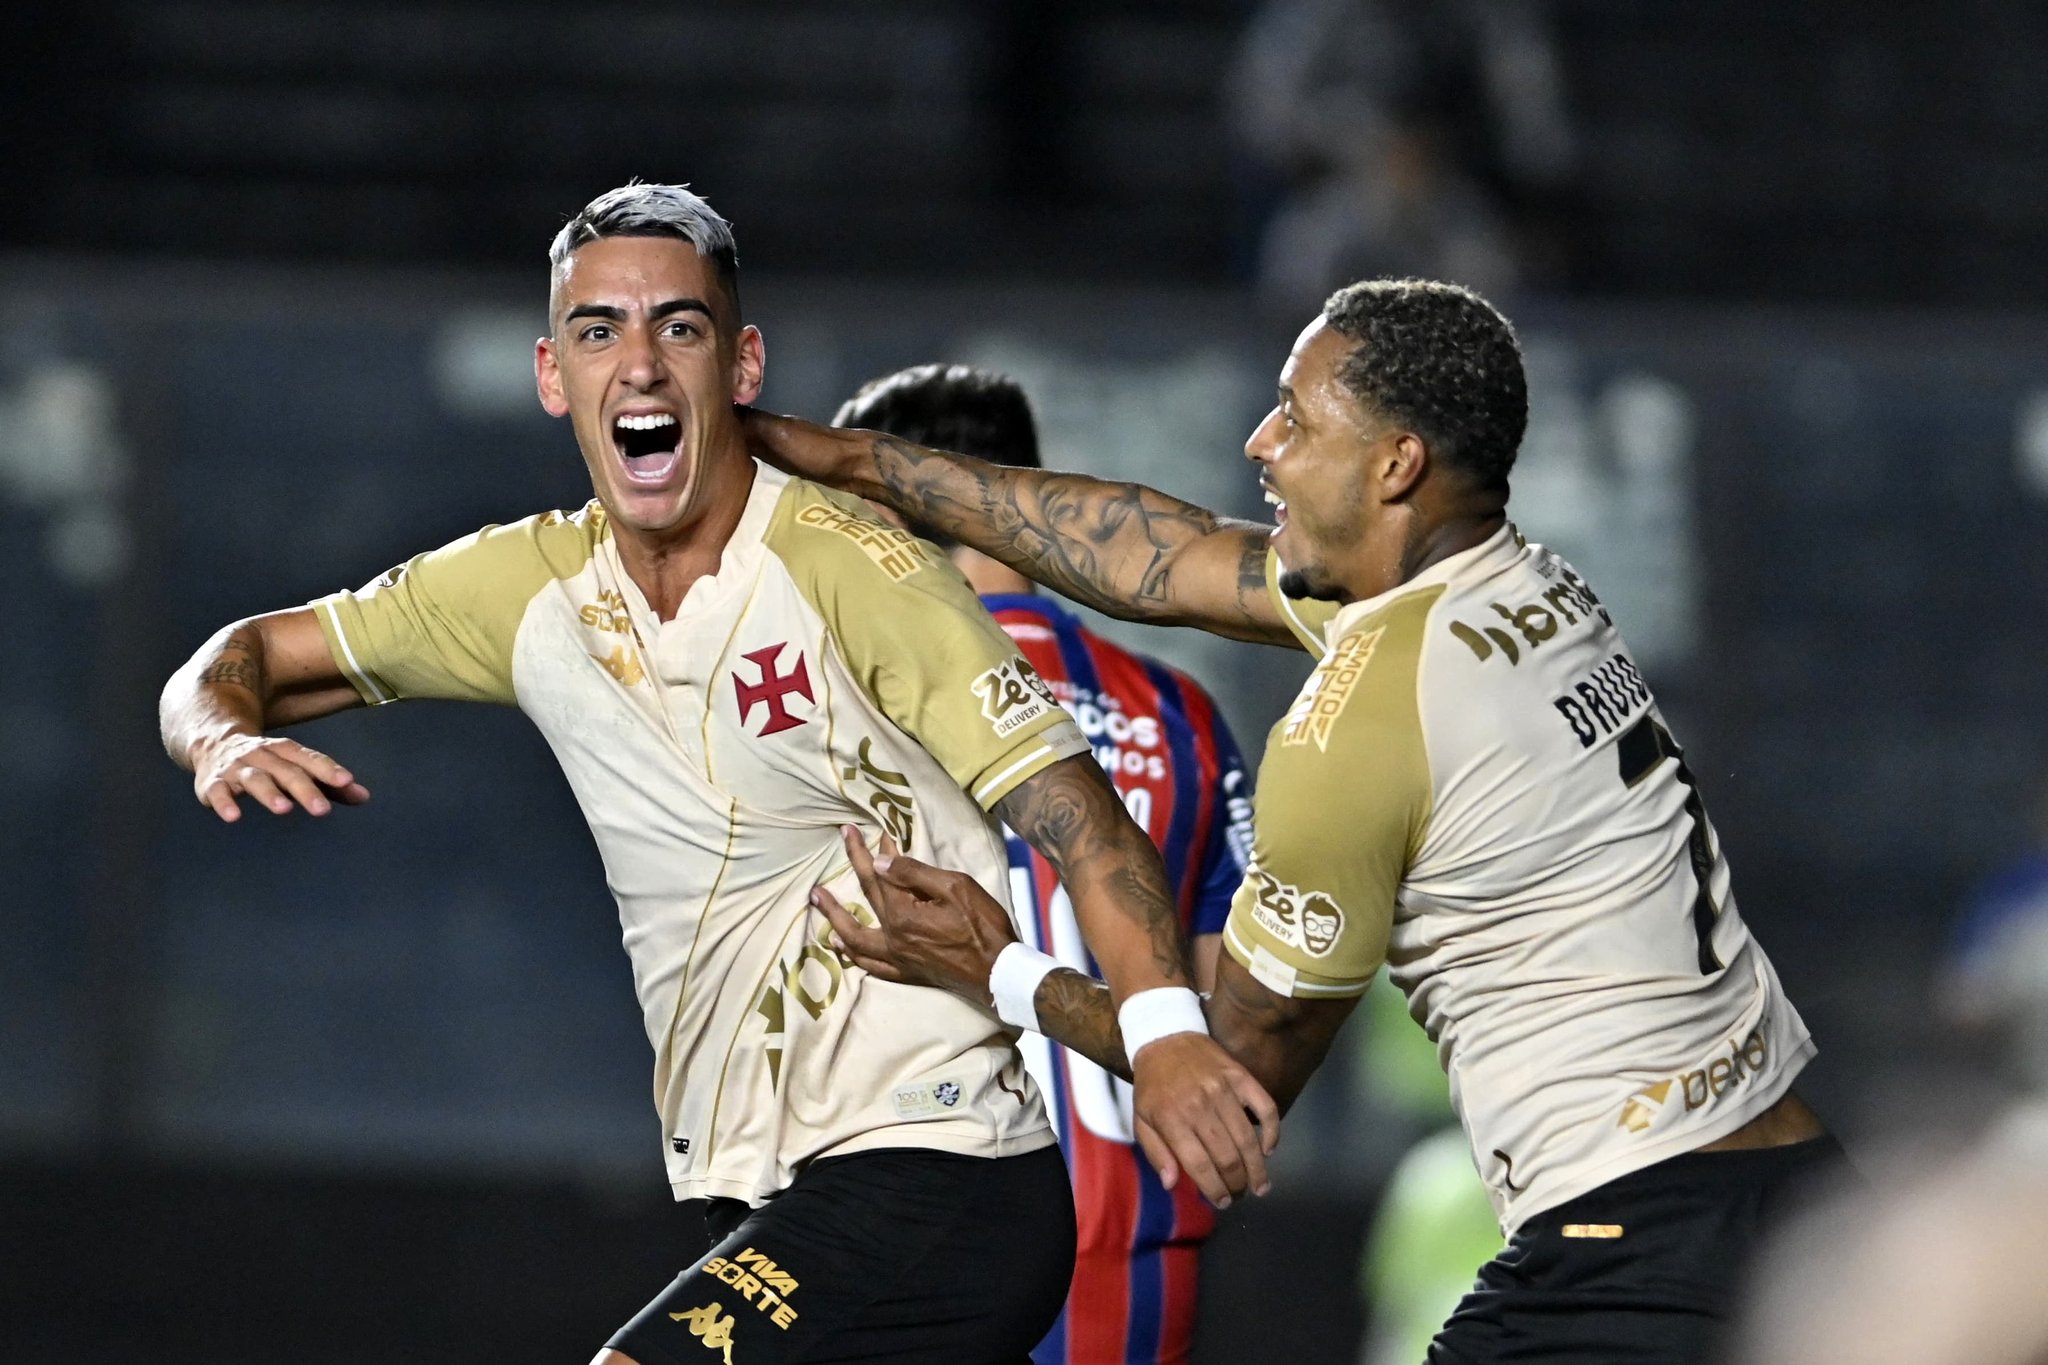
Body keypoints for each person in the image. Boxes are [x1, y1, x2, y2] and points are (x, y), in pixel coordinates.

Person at [156, 182, 1277, 1365]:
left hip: (936, 1168)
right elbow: (237, 660)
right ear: (552, 374)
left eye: (678, 327)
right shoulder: (525, 590)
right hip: (757, 1186)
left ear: (741, 365)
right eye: (598, 330)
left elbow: (1081, 816)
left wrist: (1163, 1034)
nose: (638, 363)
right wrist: (219, 735)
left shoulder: (856, 569)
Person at [746, 276, 1843, 1363]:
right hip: (1797, 1190)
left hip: (1629, 1249)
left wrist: (997, 968)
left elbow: (1227, 1079)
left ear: (1394, 464)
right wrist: (851, 460)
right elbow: (1156, 553)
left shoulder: (1360, 723)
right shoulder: (1528, 588)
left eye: (1296, 418)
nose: (1260, 442)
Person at [833, 364, 1256, 1365]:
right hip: (1135, 1266)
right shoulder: (1180, 717)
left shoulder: (856, 701)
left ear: (891, 508)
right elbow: (1234, 1031)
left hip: (925, 1248)